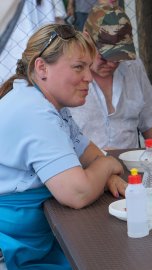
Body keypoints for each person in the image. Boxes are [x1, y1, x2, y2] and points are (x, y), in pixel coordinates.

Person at [0, 23, 127, 269]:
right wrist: (109, 164)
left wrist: (103, 172)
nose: (89, 78)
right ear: (41, 67)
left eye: (88, 68)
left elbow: (89, 155)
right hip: (11, 250)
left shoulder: (44, 103)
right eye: (79, 67)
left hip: (30, 242)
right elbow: (77, 193)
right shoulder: (34, 112)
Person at [69, 4, 152, 150]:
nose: (112, 64)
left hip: (131, 167)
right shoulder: (66, 73)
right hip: (83, 169)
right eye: (105, 56)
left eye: (119, 57)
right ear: (86, 38)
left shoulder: (133, 67)